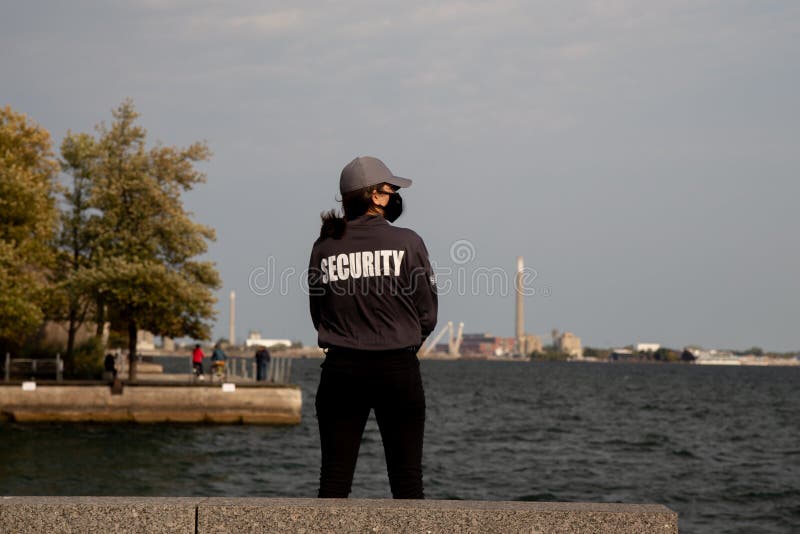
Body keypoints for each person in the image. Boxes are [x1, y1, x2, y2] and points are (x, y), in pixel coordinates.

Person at [308, 156, 438, 499]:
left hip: (340, 371)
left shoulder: (324, 247)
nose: (396, 195)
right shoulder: (409, 242)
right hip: (398, 369)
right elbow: (428, 313)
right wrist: (406, 340)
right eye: (391, 189)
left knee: (333, 482)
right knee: (407, 481)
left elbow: (318, 314)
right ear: (377, 197)